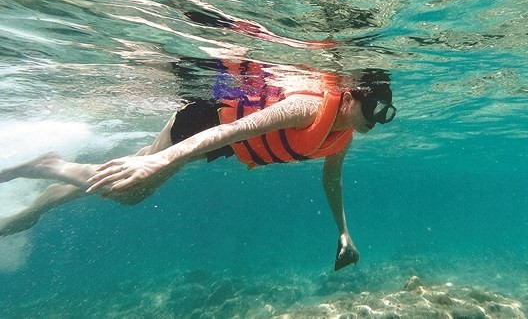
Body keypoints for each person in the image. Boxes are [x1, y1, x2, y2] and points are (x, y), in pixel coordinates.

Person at [0, 63, 395, 271]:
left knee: (121, 176)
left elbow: (332, 180)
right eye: (374, 109)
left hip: (217, 141)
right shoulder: (307, 107)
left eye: (385, 115)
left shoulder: (340, 135)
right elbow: (234, 130)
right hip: (204, 124)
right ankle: (50, 166)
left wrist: (343, 233)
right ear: (349, 96)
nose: (375, 121)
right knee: (131, 191)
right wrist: (162, 159)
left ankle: (38, 203)